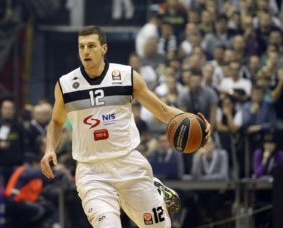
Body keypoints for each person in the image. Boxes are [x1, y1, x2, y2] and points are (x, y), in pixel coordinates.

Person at [40, 26, 210, 228]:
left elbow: (163, 111)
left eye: (91, 46)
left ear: (104, 48)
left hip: (128, 164)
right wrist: (50, 149)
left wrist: (194, 121)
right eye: (81, 47)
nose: (85, 51)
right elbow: (57, 122)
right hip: (92, 171)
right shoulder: (65, 85)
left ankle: (152, 188)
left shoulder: (126, 76)